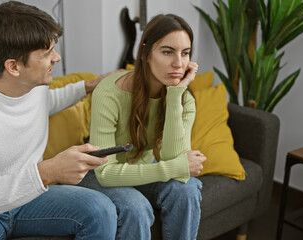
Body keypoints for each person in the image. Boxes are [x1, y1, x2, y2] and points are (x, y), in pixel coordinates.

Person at [0, 1, 118, 239]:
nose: (56, 58)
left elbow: (45, 103)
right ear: (13, 67)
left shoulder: (31, 83)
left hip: (28, 198)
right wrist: (47, 172)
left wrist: (88, 86)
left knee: (100, 210)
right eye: (47, 53)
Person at [78, 14, 207, 239]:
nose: (178, 63)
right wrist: (174, 167)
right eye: (167, 52)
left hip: (144, 167)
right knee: (135, 207)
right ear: (146, 53)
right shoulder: (108, 93)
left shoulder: (185, 99)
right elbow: (106, 173)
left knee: (186, 190)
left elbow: (175, 162)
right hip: (98, 172)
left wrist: (176, 94)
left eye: (185, 53)